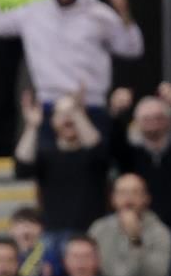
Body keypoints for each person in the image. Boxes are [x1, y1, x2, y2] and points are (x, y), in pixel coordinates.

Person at [0, 0, 142, 135]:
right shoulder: (32, 12)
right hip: (50, 109)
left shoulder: (99, 14)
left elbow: (131, 48)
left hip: (91, 106)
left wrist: (124, 14)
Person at [108, 84, 171, 274]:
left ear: (169, 122)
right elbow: (114, 145)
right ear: (137, 123)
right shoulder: (132, 156)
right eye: (146, 119)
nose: (153, 123)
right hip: (143, 235)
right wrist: (115, 112)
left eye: (158, 118)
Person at [14, 93, 109, 240]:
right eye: (61, 114)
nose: (68, 117)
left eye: (72, 112)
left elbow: (97, 152)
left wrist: (78, 113)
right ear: (52, 121)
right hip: (54, 233)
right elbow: (22, 168)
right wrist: (32, 126)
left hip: (93, 233)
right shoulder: (47, 155)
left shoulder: (94, 153)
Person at [87, 174, 171, 276]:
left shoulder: (160, 233)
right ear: (113, 199)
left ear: (146, 198)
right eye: (122, 193)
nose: (128, 199)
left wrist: (135, 240)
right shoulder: (98, 229)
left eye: (135, 193)